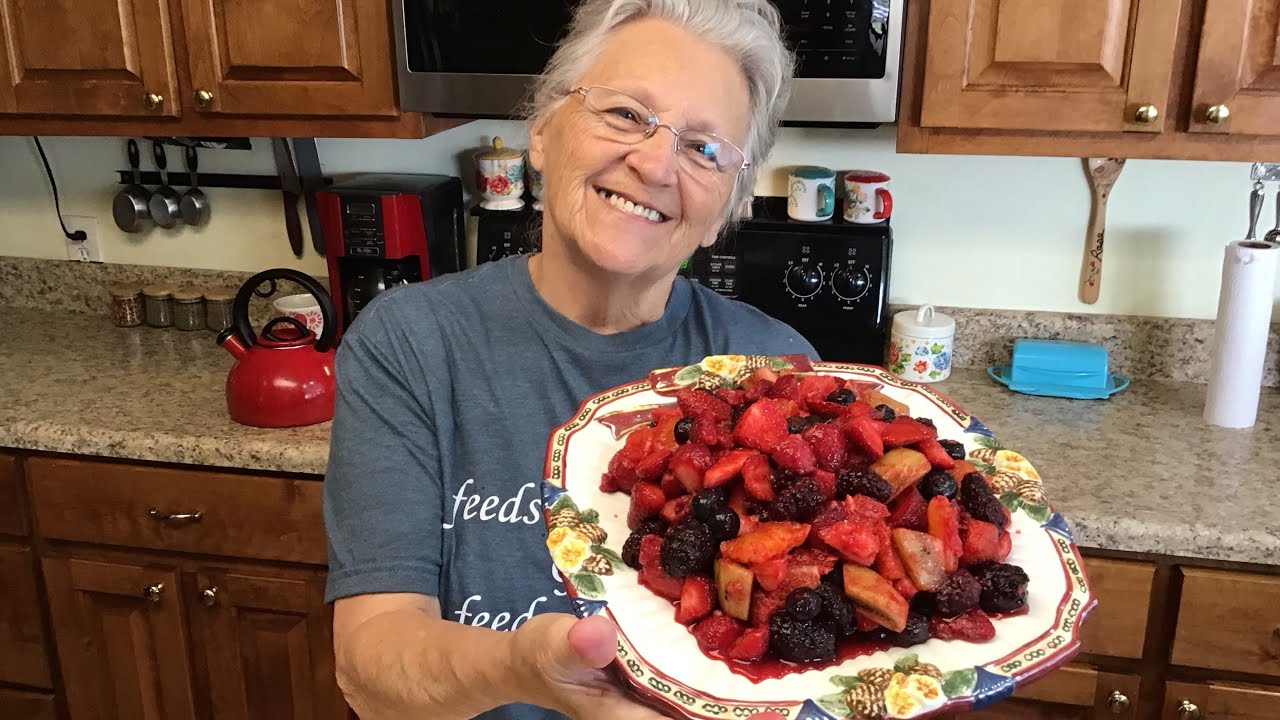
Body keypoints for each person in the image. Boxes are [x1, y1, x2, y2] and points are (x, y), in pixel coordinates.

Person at [322, 1, 817, 718]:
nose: (653, 162)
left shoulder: (776, 373)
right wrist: (520, 669)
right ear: (545, 133)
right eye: (623, 114)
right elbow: (368, 669)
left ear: (725, 213)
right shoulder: (412, 343)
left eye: (704, 149)